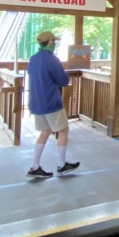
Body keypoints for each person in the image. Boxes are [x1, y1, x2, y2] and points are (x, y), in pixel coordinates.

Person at [26, 30, 80, 179]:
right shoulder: (52, 59)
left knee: (45, 131)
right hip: (51, 101)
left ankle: (35, 166)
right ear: (50, 42)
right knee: (63, 130)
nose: (55, 43)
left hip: (36, 101)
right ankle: (62, 164)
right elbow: (63, 80)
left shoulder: (33, 59)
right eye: (54, 41)